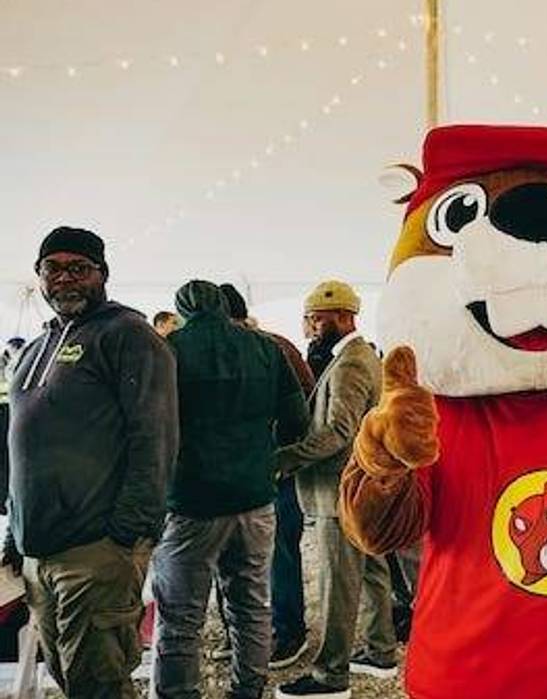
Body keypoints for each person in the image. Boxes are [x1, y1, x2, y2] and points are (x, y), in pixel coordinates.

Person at [4, 226, 177, 698]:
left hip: (97, 550)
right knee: (68, 677)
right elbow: (23, 450)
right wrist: (14, 533)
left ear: (102, 274)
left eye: (78, 268)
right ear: (39, 276)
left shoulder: (128, 335)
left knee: (100, 683)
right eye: (52, 268)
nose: (65, 278)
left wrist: (128, 533)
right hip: (40, 554)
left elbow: (156, 437)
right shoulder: (36, 347)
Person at [151, 281, 309, 699]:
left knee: (181, 617)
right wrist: (263, 452)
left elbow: (150, 428)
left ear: (181, 308)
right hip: (256, 498)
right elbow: (298, 420)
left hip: (190, 501)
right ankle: (248, 690)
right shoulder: (266, 347)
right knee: (252, 607)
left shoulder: (168, 349)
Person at [275, 281, 397, 699]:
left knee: (338, 583)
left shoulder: (350, 364)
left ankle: (331, 676)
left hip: (339, 490)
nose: (309, 327)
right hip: (363, 485)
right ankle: (381, 651)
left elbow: (337, 432)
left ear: (344, 317)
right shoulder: (359, 356)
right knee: (373, 571)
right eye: (309, 318)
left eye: (317, 319)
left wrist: (284, 459)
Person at [217, 283, 316, 668]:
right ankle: (249, 634)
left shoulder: (271, 348)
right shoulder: (262, 346)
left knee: (279, 556)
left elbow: (301, 409)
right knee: (239, 559)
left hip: (274, 472)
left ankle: (287, 633)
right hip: (244, 474)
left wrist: (280, 456)